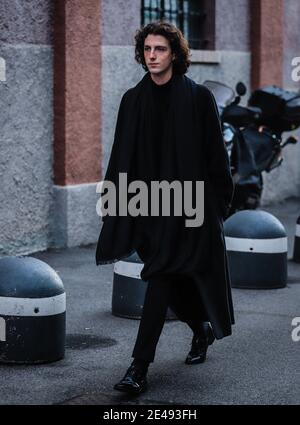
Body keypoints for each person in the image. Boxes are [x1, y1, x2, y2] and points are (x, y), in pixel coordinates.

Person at [95, 21, 235, 395]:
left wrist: (218, 206)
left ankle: (138, 368)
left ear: (175, 53)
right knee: (172, 283)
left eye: (160, 49)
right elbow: (120, 156)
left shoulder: (198, 98)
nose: (152, 56)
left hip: (189, 208)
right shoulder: (132, 99)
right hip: (146, 207)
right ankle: (199, 328)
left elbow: (216, 159)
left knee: (160, 278)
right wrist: (114, 203)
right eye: (147, 50)